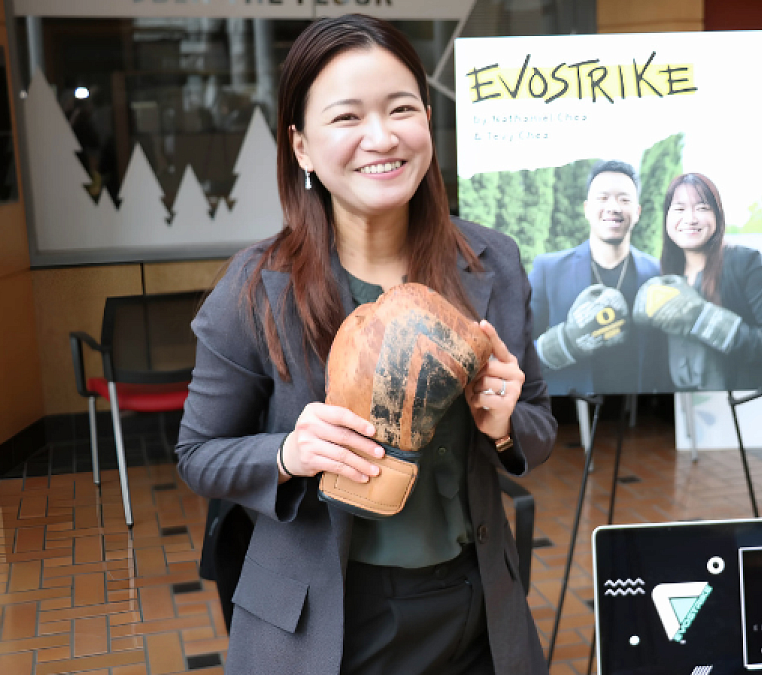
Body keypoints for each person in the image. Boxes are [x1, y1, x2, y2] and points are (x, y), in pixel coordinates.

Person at [176, 16, 556, 675]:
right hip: (322, 625)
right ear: (300, 146)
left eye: (401, 109)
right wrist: (290, 452)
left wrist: (503, 426)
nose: (382, 137)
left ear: (428, 120)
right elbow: (198, 454)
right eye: (347, 117)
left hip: (475, 612)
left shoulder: (492, 261)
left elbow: (540, 422)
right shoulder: (255, 286)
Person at [634, 173, 762, 390]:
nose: (690, 218)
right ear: (667, 218)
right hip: (683, 408)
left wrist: (705, 320)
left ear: (718, 216)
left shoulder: (746, 262)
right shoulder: (663, 279)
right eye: (679, 209)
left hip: (740, 406)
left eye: (702, 207)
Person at [528, 160, 664, 395]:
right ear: (587, 209)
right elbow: (518, 357)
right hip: (571, 416)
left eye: (624, 199)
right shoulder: (548, 270)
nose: (613, 207)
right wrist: (563, 344)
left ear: (638, 211)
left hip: (640, 414)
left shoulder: (658, 273)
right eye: (603, 198)